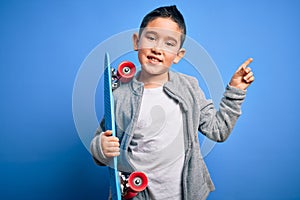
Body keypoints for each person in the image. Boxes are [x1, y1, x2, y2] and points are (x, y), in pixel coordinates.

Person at [90, 5, 254, 200]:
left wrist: (235, 91)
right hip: (137, 194)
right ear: (136, 42)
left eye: (169, 43)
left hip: (185, 194)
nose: (158, 49)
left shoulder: (189, 87)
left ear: (178, 55)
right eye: (151, 38)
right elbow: (101, 141)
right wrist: (101, 147)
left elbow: (218, 131)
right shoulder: (119, 94)